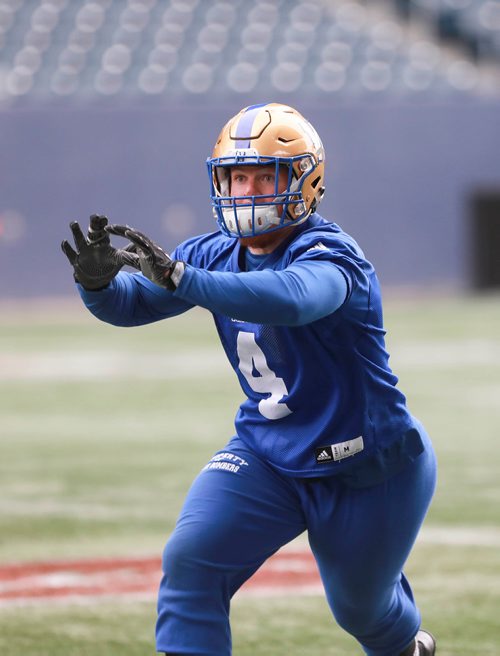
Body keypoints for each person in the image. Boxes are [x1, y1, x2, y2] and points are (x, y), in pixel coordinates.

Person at [62, 102, 437, 656]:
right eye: (238, 177)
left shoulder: (331, 253)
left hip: (367, 465)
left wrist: (185, 279)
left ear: (305, 183)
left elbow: (293, 298)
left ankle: (407, 646)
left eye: (267, 176)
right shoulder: (210, 253)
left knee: (362, 610)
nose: (250, 191)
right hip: (267, 453)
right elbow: (132, 305)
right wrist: (96, 286)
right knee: (191, 561)